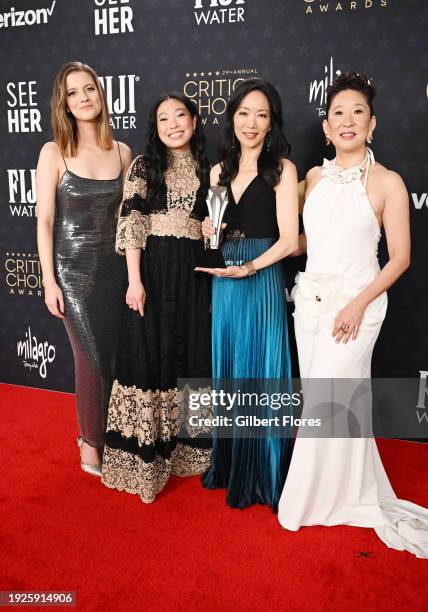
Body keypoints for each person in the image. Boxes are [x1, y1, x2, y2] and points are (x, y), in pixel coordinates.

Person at [278, 71, 428, 558]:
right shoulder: (314, 179)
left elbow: (400, 258)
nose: (347, 121)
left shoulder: (388, 181)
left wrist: (357, 304)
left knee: (330, 399)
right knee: (323, 403)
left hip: (358, 308)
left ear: (372, 123)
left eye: (357, 113)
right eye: (338, 113)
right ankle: (339, 490)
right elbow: (301, 240)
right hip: (311, 305)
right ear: (325, 127)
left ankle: (310, 500)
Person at [101, 93, 212, 503]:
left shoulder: (210, 168)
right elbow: (132, 221)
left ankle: (189, 453)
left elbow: (214, 228)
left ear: (195, 122)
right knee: (147, 354)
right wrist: (134, 279)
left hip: (193, 273)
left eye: (180, 116)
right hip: (152, 270)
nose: (172, 124)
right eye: (163, 118)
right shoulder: (144, 166)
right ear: (155, 127)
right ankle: (143, 459)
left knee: (190, 352)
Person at [196, 78, 298, 511]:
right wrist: (207, 230)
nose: (251, 123)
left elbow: (290, 240)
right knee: (231, 369)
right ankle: (233, 461)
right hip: (226, 277)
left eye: (261, 114)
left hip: (261, 275)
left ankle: (265, 472)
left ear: (271, 121)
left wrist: (252, 267)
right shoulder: (219, 170)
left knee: (262, 369)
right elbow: (214, 232)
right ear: (232, 117)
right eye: (244, 113)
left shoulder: (283, 170)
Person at [36, 61, 131, 476]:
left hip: (115, 270)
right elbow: (44, 220)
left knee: (112, 355)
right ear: (65, 104)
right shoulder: (53, 151)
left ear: (100, 93)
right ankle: (90, 444)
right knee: (90, 358)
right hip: (73, 274)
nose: (83, 98)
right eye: (73, 93)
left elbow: (131, 221)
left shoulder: (123, 151)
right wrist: (47, 278)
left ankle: (113, 436)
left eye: (88, 89)